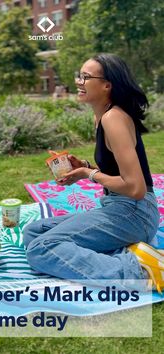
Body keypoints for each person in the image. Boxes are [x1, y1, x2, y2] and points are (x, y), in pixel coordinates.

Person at [23, 53, 163, 293]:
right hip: (119, 208)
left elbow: (136, 188)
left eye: (86, 77)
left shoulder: (113, 118)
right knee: (33, 231)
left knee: (42, 248)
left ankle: (140, 269)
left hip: (134, 213)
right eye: (80, 76)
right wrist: (83, 166)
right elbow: (116, 168)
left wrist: (88, 173)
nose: (78, 81)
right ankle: (125, 251)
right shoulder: (102, 116)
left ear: (107, 85)